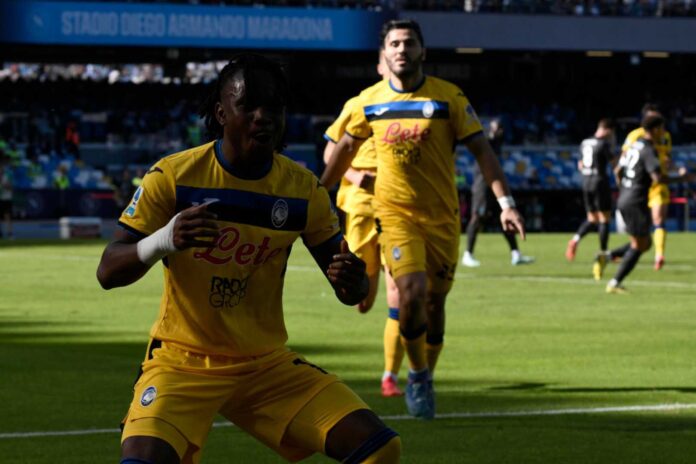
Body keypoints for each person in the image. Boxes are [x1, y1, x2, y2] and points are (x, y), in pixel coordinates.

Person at [96, 54, 400, 464]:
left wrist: (353, 279)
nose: (263, 116)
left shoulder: (302, 190)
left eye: (274, 107)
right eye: (249, 105)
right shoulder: (174, 176)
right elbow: (108, 270)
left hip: (265, 365)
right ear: (222, 113)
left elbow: (351, 290)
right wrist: (164, 240)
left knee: (379, 449)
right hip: (182, 361)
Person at [321, 20, 525, 419]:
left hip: (442, 218)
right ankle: (415, 375)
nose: (401, 49)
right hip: (394, 215)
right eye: (394, 43)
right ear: (385, 53)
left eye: (409, 43)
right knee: (410, 291)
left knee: (434, 302)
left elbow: (483, 152)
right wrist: (318, 193)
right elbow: (344, 145)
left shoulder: (449, 99)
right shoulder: (369, 101)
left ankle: (425, 372)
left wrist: (507, 203)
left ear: (422, 51)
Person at [323, 52, 406, 398]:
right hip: (359, 207)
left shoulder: (411, 109)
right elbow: (331, 153)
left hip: (396, 209)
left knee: (399, 293)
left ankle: (390, 376)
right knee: (362, 299)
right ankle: (368, 279)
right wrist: (356, 177)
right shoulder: (361, 103)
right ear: (379, 66)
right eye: (388, 56)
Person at [603, 114, 691, 293]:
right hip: (635, 200)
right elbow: (658, 178)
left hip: (627, 197)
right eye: (663, 129)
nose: (664, 133)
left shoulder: (635, 145)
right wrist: (683, 178)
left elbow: (619, 170)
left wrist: (625, 187)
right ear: (656, 129)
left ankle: (609, 258)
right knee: (639, 244)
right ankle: (614, 282)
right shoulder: (648, 149)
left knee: (644, 243)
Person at [462, 119, 534, 267]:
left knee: (505, 217)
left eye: (501, 128)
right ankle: (467, 254)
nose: (500, 131)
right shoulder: (486, 141)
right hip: (482, 185)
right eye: (497, 128)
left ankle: (515, 253)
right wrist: (491, 135)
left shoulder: (497, 144)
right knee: (477, 217)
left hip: (494, 188)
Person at [620, 103, 672, 270]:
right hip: (639, 186)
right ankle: (613, 256)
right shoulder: (635, 136)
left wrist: (672, 167)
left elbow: (666, 159)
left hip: (658, 184)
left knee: (658, 220)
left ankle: (659, 255)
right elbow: (624, 160)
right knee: (641, 238)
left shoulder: (666, 137)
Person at [564, 118, 616, 279]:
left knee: (592, 218)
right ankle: (603, 253)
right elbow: (614, 164)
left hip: (586, 182)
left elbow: (580, 164)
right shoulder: (603, 144)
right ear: (607, 130)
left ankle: (575, 239)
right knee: (604, 219)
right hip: (599, 181)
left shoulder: (584, 142)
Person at [0, 155, 14, 239]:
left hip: (6, 198)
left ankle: (9, 233)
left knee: (8, 216)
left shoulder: (7, 175)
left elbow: (11, 187)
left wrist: (5, 185)